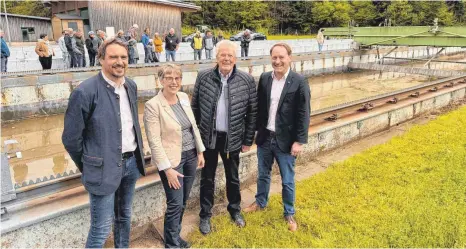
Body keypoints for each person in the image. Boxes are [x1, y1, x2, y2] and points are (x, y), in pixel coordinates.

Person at [62, 38, 146, 248]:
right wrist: (90, 164)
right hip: (102, 169)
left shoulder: (131, 86)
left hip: (131, 164)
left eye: (123, 57)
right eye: (113, 57)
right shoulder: (85, 92)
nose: (119, 62)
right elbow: (71, 139)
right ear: (100, 59)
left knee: (124, 217)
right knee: (100, 229)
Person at [191, 40, 257, 235]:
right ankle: (205, 215)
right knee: (207, 178)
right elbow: (195, 109)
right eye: (223, 55)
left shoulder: (246, 80)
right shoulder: (203, 77)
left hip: (233, 139)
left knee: (233, 178)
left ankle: (235, 210)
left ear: (235, 58)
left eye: (230, 55)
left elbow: (252, 113)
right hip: (209, 139)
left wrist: (247, 140)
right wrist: (196, 140)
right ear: (216, 57)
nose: (226, 58)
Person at [243, 43, 310, 232]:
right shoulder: (265, 79)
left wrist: (299, 140)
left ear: (289, 58)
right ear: (270, 58)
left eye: (281, 57)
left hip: (286, 141)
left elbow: (303, 113)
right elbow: (259, 109)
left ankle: (289, 212)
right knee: (263, 174)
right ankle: (260, 202)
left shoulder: (299, 81)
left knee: (287, 179)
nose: (278, 61)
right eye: (274, 58)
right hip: (265, 137)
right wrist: (253, 133)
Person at [144, 64, 205, 248]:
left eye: (177, 77)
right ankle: (171, 244)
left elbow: (193, 126)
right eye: (169, 77)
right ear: (160, 80)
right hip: (172, 162)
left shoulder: (184, 97)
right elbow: (154, 141)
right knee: (175, 204)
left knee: (184, 200)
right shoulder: (153, 105)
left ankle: (176, 236)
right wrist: (167, 169)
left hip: (191, 156)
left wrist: (200, 151)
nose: (174, 81)